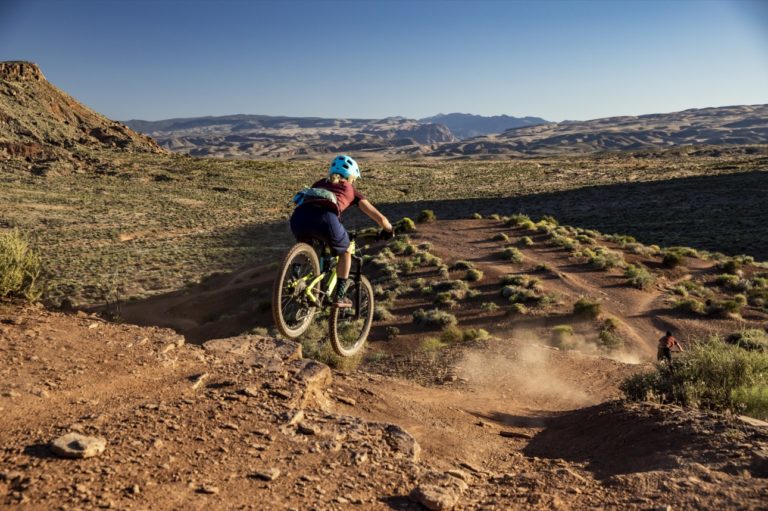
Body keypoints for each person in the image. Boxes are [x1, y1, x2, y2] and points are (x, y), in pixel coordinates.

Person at [289, 154, 393, 308]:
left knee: (306, 244)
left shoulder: (318, 183)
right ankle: (340, 296)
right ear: (351, 176)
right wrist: (389, 230)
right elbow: (381, 219)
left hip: (298, 217)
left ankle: (294, 279)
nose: (353, 182)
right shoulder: (351, 190)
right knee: (345, 251)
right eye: (354, 179)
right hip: (325, 220)